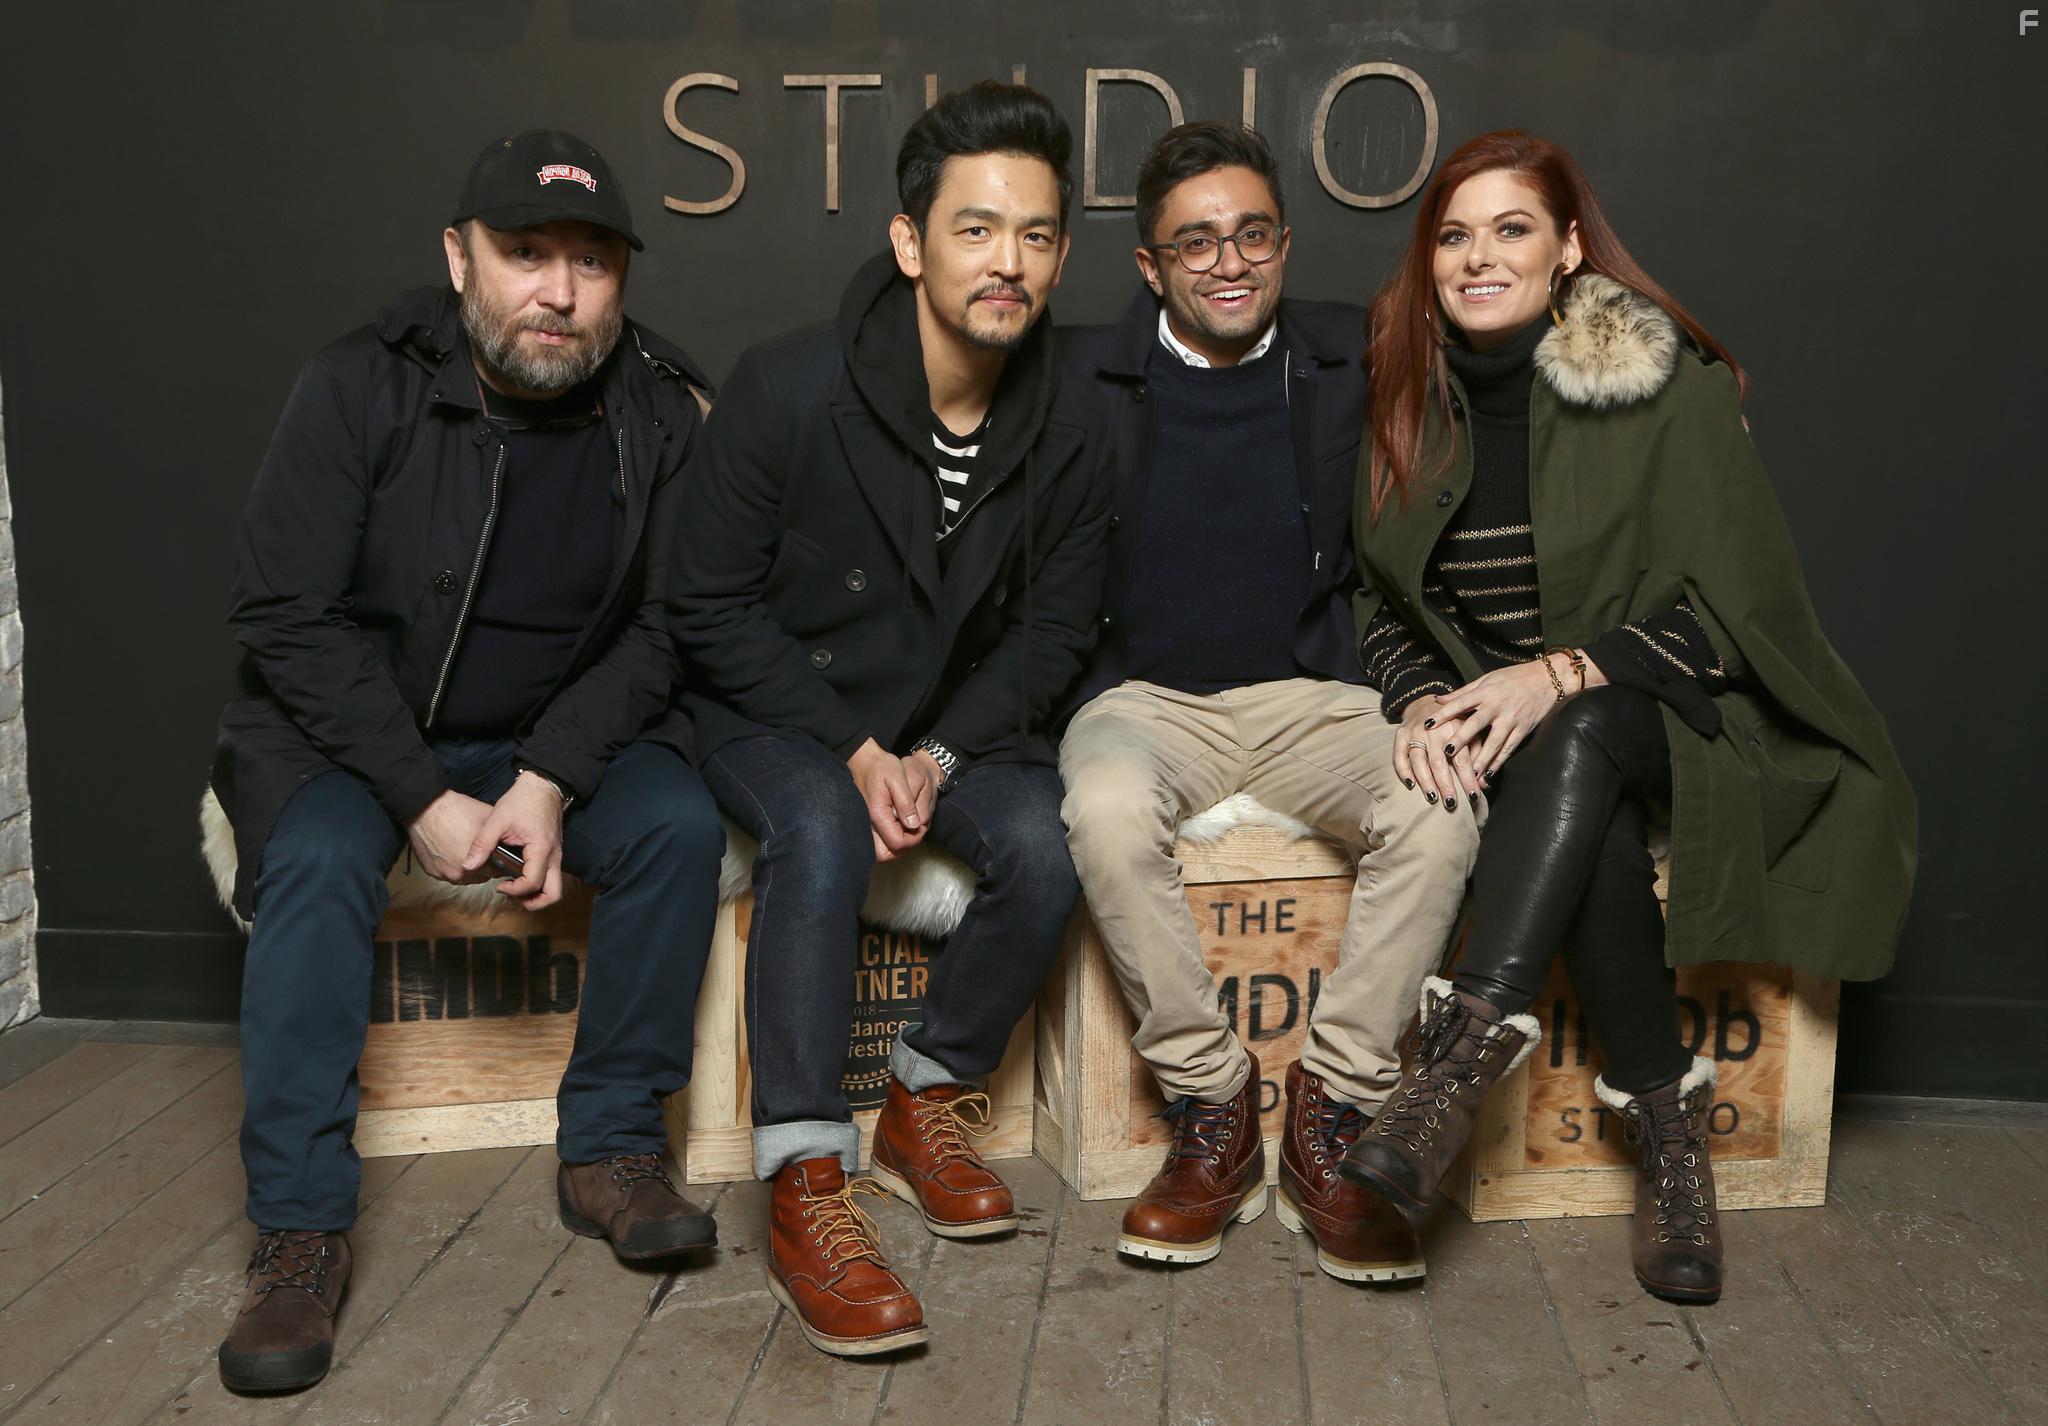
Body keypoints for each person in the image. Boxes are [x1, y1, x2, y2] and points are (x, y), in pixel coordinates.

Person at [1336, 130, 1916, 1304]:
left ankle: (1453, 1062)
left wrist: (1556, 673)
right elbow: (1376, 593)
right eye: (1452, 235)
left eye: (1510, 229)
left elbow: (1735, 616)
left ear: (1564, 253)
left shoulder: (1664, 390)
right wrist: (1422, 696)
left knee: (1581, 731)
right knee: (1577, 797)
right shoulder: (1410, 396)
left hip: (1684, 716)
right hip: (1526, 749)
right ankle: (1668, 1129)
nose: (1477, 256)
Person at [209, 130, 725, 1393]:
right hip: (357, 733)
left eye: (590, 261)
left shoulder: (663, 408)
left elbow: (670, 624)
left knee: (676, 819)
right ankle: (299, 1229)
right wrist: (422, 796)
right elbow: (285, 615)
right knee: (318, 855)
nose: (558, 289)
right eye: (525, 253)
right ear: (458, 258)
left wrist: (547, 775)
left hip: (551, 735)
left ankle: (609, 1146)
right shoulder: (355, 385)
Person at [670, 81, 1112, 1357]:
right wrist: (854, 748)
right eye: (975, 229)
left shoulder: (1071, 427)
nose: (1007, 261)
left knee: (1050, 834)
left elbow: (1052, 635)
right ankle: (807, 1179)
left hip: (940, 725)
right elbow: (704, 604)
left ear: (1060, 253)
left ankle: (926, 1095)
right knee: (813, 823)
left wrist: (933, 754)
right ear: (910, 242)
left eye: (1034, 234)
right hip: (774, 709)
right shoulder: (788, 385)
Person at [1057, 121, 1478, 1282]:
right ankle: (1214, 1102)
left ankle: (1333, 1111)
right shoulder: (1077, 371)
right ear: (1149, 267)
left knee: (1439, 803)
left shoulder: (1353, 351)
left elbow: (1508, 342)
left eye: (1250, 234)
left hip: (1314, 696)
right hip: (1147, 699)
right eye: (1193, 243)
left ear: (1284, 244)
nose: (1227, 262)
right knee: (1097, 803)